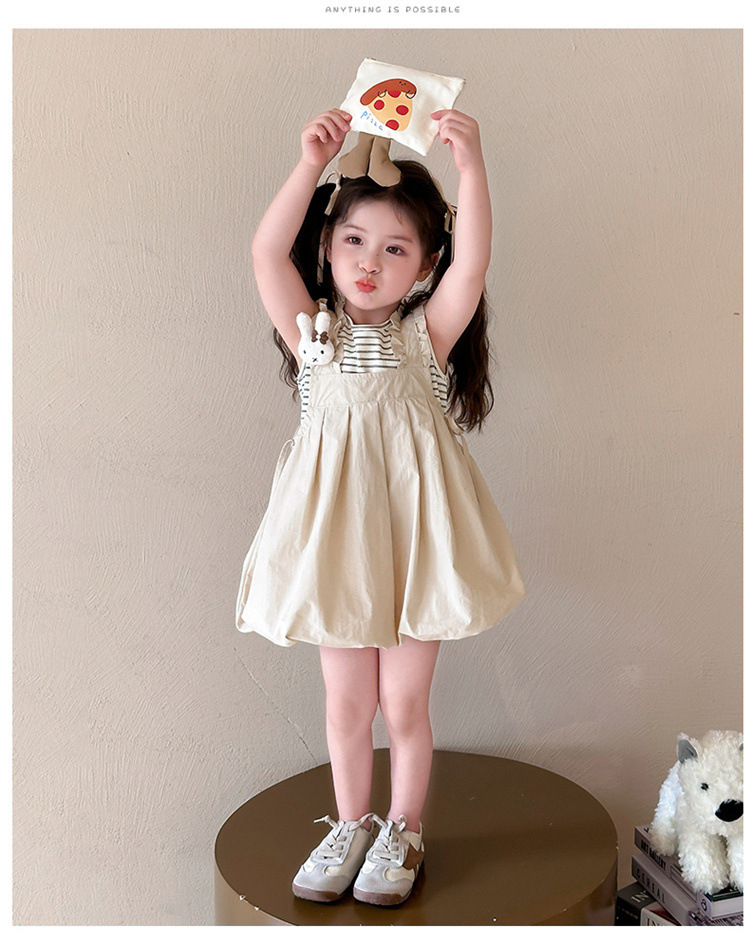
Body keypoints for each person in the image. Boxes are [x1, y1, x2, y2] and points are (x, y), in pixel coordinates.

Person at [236, 106, 527, 907]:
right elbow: (265, 252)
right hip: (337, 548)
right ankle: (350, 824)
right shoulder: (312, 335)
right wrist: (310, 164)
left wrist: (472, 166)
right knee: (347, 702)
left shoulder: (426, 337)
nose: (369, 261)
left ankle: (403, 828)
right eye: (354, 239)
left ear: (427, 264)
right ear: (328, 245)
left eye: (395, 248)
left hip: (416, 547)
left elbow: (476, 262)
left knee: (403, 702)